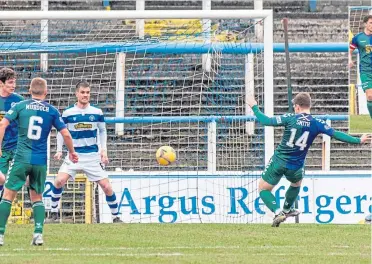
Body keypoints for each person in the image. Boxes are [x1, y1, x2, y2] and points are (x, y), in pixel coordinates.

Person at [247, 92, 371, 227]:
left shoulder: (289, 118)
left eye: (294, 106)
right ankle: (287, 209)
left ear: (298, 107)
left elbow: (266, 121)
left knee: (263, 189)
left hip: (279, 161)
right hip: (296, 165)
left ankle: (278, 212)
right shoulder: (317, 123)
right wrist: (358, 140)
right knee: (296, 184)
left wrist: (254, 106)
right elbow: (336, 134)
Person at [0, 77, 78, 246]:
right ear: (46, 92)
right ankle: (38, 234)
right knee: (37, 198)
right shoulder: (52, 111)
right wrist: (72, 152)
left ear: (29, 90)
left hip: (20, 158)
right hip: (40, 160)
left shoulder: (20, 106)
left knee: (7, 195)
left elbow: (2, 125)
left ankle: (0, 234)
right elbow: (65, 134)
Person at [49, 80, 122, 223]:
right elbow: (61, 132)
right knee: (59, 181)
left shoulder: (97, 112)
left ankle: (116, 217)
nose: (85, 95)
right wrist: (59, 150)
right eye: (82, 92)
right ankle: (53, 214)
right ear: (77, 94)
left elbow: (102, 131)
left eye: (87, 92)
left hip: (92, 156)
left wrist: (103, 150)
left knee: (106, 186)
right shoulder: (68, 113)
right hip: (74, 156)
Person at [0, 68, 24, 200]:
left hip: (17, 147)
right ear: (1, 83)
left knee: (25, 180)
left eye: (14, 82)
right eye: (10, 82)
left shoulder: (19, 100)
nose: (13, 85)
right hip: (1, 148)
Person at [349, 15, 372, 119]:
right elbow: (350, 51)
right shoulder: (358, 38)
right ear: (365, 24)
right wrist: (349, 60)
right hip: (365, 71)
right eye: (371, 23)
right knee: (370, 96)